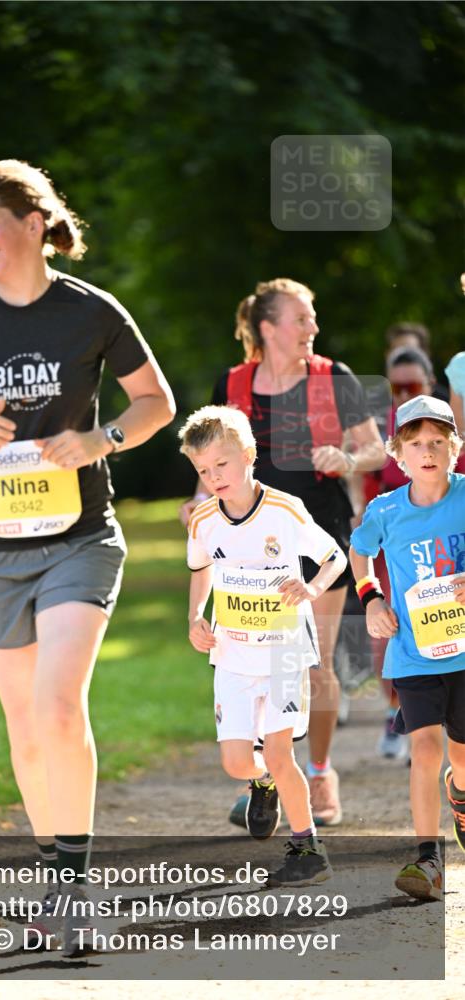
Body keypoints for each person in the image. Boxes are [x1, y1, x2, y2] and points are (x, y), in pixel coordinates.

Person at [0, 159, 175, 955]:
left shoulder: (90, 310)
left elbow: (155, 402)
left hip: (78, 539)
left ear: (33, 222)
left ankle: (75, 893)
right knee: (26, 729)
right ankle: (50, 876)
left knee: (60, 709)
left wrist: (102, 437)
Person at [181, 278, 385, 827]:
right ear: (268, 328)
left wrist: (347, 457)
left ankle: (316, 770)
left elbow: (374, 448)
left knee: (311, 662)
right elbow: (214, 458)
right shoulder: (233, 382)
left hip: (314, 533)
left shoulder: (333, 378)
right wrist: (197, 502)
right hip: (246, 544)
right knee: (249, 654)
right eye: (302, 319)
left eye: (312, 318)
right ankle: (268, 774)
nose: (312, 329)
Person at [180, 405, 346, 885]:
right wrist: (195, 616)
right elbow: (201, 569)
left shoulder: (285, 510)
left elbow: (333, 557)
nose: (214, 477)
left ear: (248, 455)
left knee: (279, 751)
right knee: (236, 761)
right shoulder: (203, 520)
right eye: (203, 470)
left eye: (222, 465)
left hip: (284, 649)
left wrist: (312, 589)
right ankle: (264, 783)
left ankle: (307, 848)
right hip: (231, 651)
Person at [350, 395, 465, 901]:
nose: (428, 452)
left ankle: (459, 793)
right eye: (416, 444)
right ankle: (427, 857)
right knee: (423, 748)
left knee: (461, 759)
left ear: (454, 448)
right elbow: (360, 552)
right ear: (398, 453)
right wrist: (372, 599)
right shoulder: (386, 510)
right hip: (414, 652)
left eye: (438, 442)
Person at [361, 346, 438, 759]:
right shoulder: (385, 432)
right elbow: (369, 484)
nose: (407, 393)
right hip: (396, 538)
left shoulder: (446, 427)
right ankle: (399, 714)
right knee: (391, 629)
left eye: (414, 385)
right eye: (399, 386)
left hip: (443, 539)